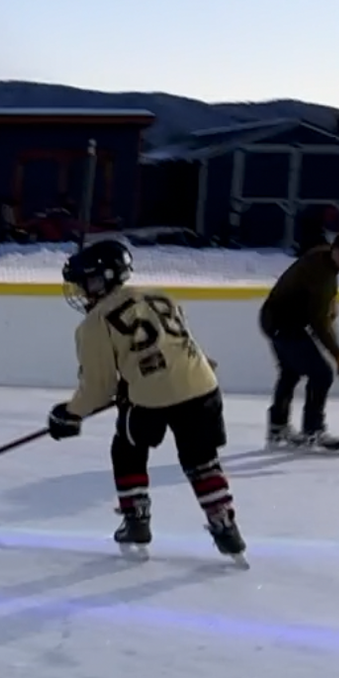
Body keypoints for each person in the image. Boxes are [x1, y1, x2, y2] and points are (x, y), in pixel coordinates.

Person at [45, 240, 243, 563]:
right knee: (201, 458)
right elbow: (177, 346)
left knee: (127, 448)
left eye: (85, 282)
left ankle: (136, 519)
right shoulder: (160, 296)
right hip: (203, 386)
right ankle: (225, 524)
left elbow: (99, 388)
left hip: (152, 398)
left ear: (103, 279)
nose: (81, 291)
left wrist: (70, 414)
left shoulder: (94, 324)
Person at [258, 230, 339, 452]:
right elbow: (319, 322)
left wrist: (327, 306)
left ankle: (278, 428)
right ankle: (313, 431)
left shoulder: (323, 258)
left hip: (275, 320)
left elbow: (317, 312)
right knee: (322, 374)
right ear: (338, 252)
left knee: (290, 373)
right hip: (284, 324)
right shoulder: (322, 275)